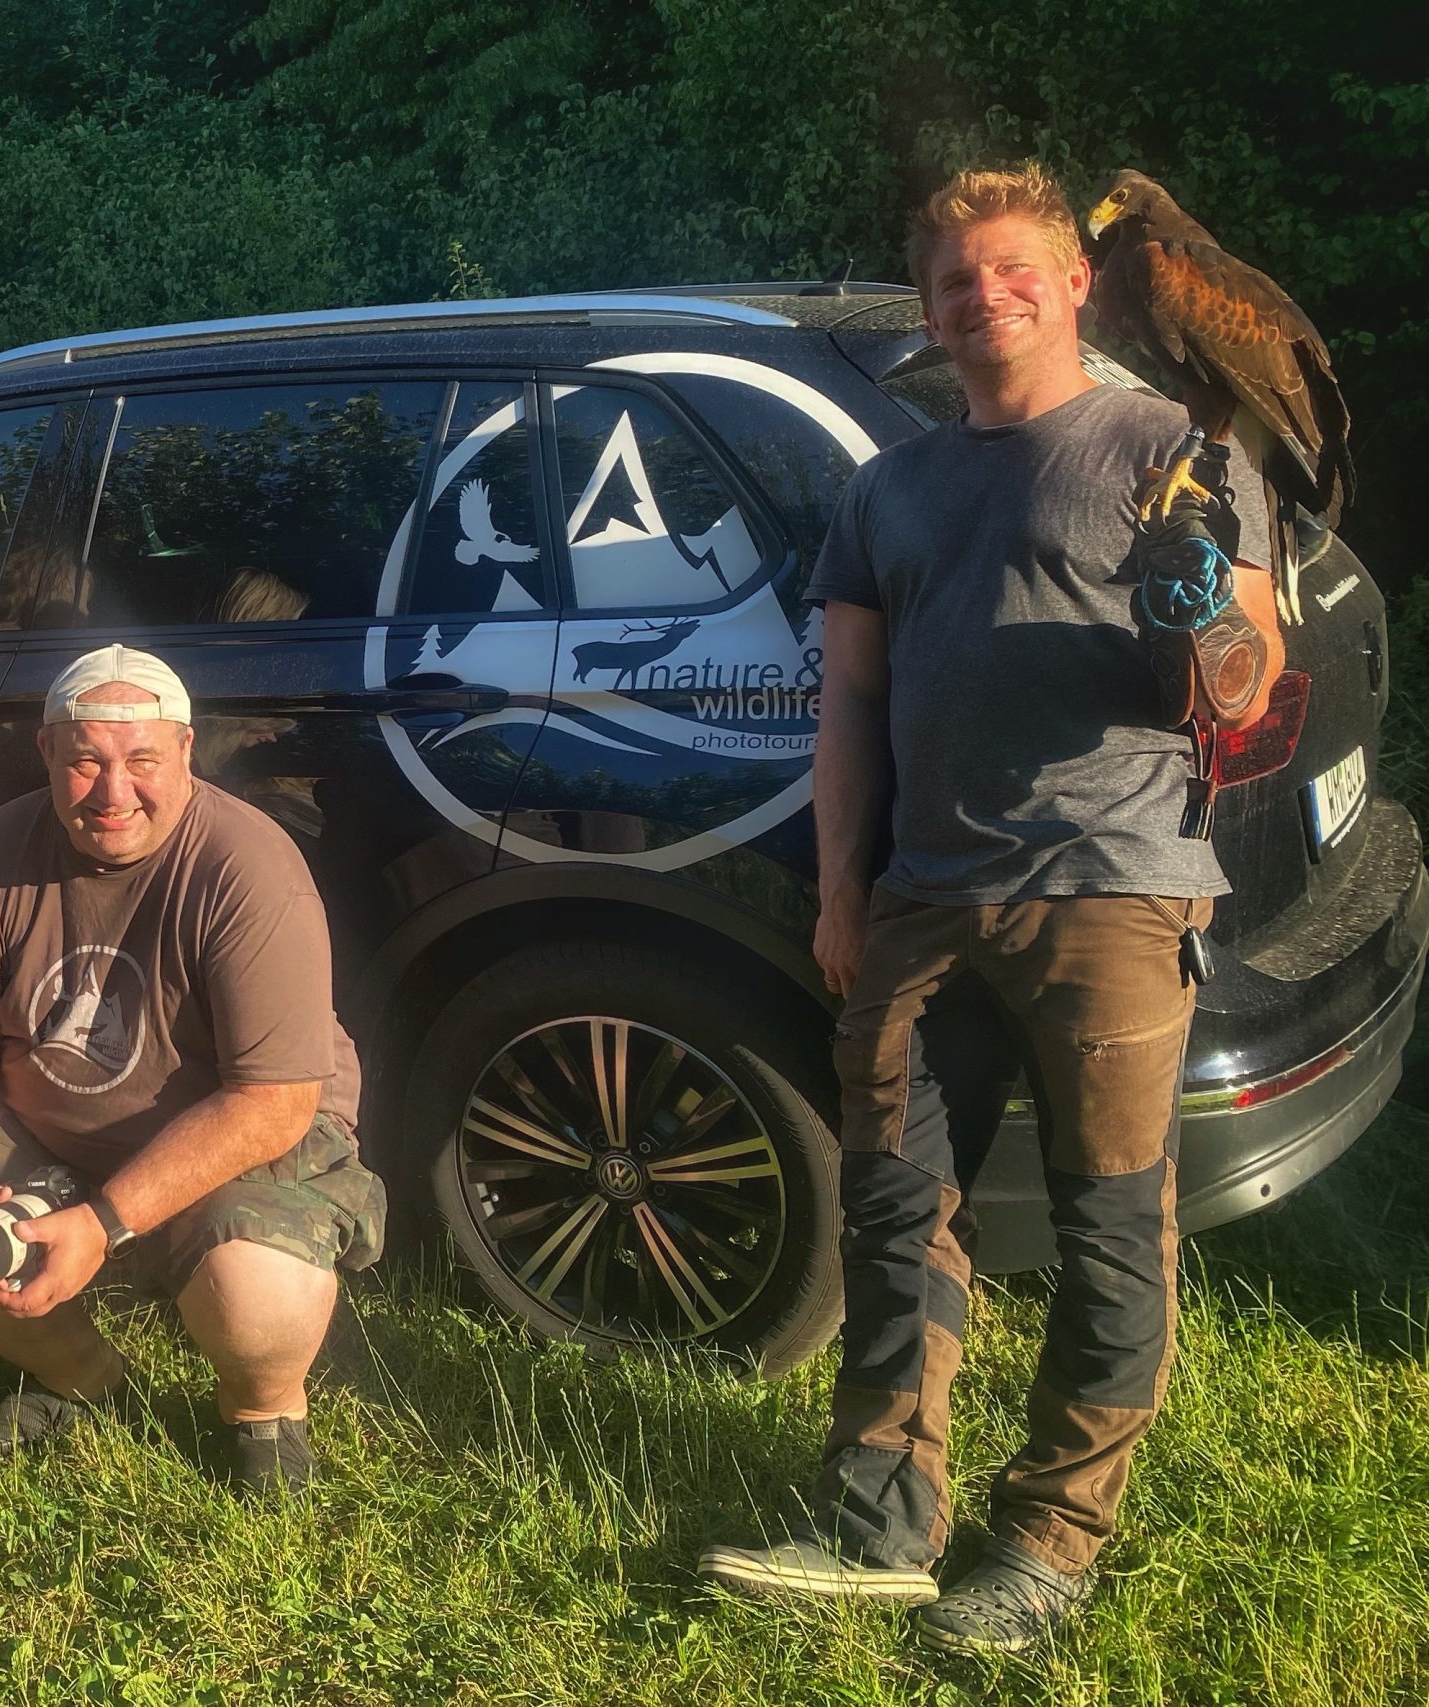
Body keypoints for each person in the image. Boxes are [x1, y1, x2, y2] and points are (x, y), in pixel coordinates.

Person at [697, 165, 1285, 1652]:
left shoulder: (1175, 449)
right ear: (931, 307)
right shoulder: (886, 490)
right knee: (897, 1211)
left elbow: (1247, 685)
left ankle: (1047, 1544)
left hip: (1114, 889)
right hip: (923, 897)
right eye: (955, 279)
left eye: (1015, 268)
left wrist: (1202, 610)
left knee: (1109, 1225)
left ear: (1078, 282)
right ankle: (881, 1527)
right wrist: (844, 888)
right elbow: (850, 701)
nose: (985, 296)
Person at [0, 645, 385, 1491]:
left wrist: (105, 1221)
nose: (112, 790)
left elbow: (274, 1101)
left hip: (229, 1137)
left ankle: (265, 1408)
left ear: (186, 750)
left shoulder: (250, 868)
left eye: (141, 759)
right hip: (51, 1131)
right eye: (85, 760)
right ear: (45, 752)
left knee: (257, 1294)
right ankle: (86, 1379)